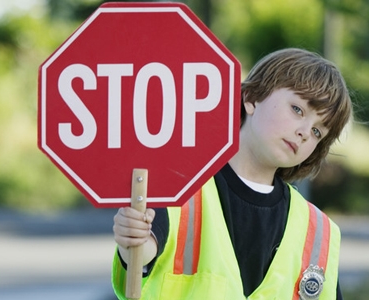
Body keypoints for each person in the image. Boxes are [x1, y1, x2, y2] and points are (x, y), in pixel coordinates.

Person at [111, 48, 353, 299]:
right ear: (251, 98)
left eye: (317, 132)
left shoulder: (320, 233)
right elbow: (141, 255)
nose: (304, 131)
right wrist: (132, 239)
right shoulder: (181, 190)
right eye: (297, 109)